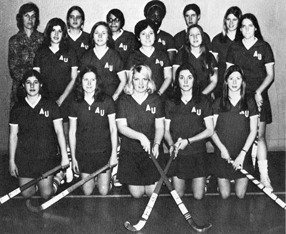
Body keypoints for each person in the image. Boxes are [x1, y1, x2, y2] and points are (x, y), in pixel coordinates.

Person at [226, 13, 275, 191]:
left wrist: (259, 92)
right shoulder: (234, 47)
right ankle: (233, 172)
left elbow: (270, 75)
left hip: (259, 97)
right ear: (240, 29)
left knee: (259, 136)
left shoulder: (264, 46)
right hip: (239, 98)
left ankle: (264, 176)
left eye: (250, 26)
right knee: (238, 135)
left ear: (255, 28)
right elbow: (228, 74)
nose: (246, 29)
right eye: (243, 26)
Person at [9, 69, 69, 201]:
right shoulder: (17, 108)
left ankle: (58, 177)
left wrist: (65, 156)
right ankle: (37, 183)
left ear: (40, 85)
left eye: (35, 82)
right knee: (27, 194)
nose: (32, 86)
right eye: (28, 82)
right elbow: (13, 136)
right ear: (23, 85)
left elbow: (60, 132)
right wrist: (12, 161)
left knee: (46, 194)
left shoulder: (51, 105)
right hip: (25, 158)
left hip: (46, 157)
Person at [164, 63, 214, 199]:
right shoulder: (170, 101)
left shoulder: (203, 100)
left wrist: (189, 141)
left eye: (189, 77)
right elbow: (166, 131)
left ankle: (203, 181)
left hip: (197, 152)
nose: (185, 81)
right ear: (177, 80)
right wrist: (171, 145)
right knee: (178, 195)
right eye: (181, 77)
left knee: (198, 196)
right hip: (178, 152)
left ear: (194, 79)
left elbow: (210, 130)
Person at [116, 64, 165, 198]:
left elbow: (160, 126)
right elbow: (121, 127)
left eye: (145, 79)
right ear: (131, 81)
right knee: (137, 195)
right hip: (130, 152)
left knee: (151, 193)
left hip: (150, 153)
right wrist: (141, 137)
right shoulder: (123, 100)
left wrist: (156, 144)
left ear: (149, 81)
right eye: (137, 79)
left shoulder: (156, 100)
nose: (141, 83)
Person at [211, 65, 259, 199]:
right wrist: (222, 150)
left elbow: (253, 130)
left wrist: (243, 154)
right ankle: (218, 180)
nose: (234, 82)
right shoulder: (217, 103)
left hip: (242, 154)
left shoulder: (249, 102)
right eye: (231, 78)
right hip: (223, 154)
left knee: (240, 195)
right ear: (225, 81)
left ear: (243, 81)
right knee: (225, 195)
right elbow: (211, 131)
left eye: (238, 78)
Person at [69, 65, 117, 195]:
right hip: (84, 152)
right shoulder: (75, 103)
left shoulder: (107, 101)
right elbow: (72, 132)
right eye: (85, 80)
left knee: (103, 191)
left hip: (103, 152)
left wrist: (113, 155)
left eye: (93, 80)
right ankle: (94, 179)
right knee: (87, 192)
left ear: (97, 82)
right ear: (80, 82)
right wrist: (73, 158)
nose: (89, 83)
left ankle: (109, 179)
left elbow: (113, 129)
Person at [33, 18, 78, 142]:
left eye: (60, 31)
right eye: (53, 30)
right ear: (48, 33)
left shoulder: (70, 52)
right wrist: (45, 99)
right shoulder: (41, 52)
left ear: (64, 33)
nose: (56, 34)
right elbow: (36, 78)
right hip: (46, 99)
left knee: (65, 134)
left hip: (66, 99)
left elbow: (74, 78)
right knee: (47, 134)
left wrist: (61, 99)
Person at [8, 2, 44, 108]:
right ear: (21, 18)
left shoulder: (42, 39)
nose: (30, 19)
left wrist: (37, 82)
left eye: (33, 16)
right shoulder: (14, 41)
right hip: (20, 88)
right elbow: (13, 69)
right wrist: (29, 80)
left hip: (39, 89)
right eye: (26, 16)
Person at [80, 21, 126, 101]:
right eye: (97, 33)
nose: (100, 36)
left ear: (108, 36)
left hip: (112, 100)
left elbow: (123, 80)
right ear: (92, 37)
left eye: (103, 33)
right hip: (91, 101)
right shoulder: (86, 56)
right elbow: (80, 81)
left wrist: (113, 98)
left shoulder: (115, 56)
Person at [126, 19, 172, 99]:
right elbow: (129, 79)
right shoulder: (132, 56)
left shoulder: (162, 54)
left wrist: (159, 93)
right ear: (138, 37)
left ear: (155, 36)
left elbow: (168, 77)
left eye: (151, 33)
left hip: (160, 96)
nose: (147, 37)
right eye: (143, 34)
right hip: (139, 97)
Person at [173, 24, 218, 98]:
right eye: (191, 35)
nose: (195, 37)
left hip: (205, 96)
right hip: (185, 97)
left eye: (198, 34)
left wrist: (201, 96)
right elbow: (176, 80)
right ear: (188, 38)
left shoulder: (209, 56)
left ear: (202, 37)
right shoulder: (180, 55)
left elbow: (214, 81)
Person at [211, 6, 242, 98]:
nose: (231, 23)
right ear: (225, 21)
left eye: (234, 19)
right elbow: (213, 66)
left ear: (239, 21)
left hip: (240, 83)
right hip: (221, 84)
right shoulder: (217, 40)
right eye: (228, 19)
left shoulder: (243, 40)